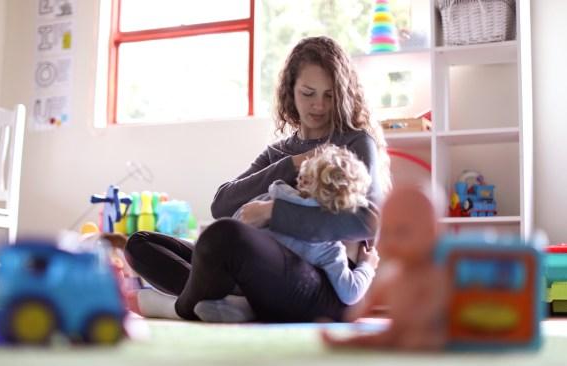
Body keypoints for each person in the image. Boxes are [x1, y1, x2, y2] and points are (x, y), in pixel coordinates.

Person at [123, 35, 391, 322]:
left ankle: (180, 308)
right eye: (308, 93)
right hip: (264, 273)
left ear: (343, 95)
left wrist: (274, 212)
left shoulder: (355, 143)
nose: (319, 106)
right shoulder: (279, 153)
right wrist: (293, 163)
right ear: (291, 91)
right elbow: (222, 204)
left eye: (329, 95)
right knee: (140, 244)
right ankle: (236, 303)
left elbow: (368, 221)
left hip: (325, 284)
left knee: (224, 237)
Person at [233, 144, 379, 306]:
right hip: (283, 297)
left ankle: (233, 302)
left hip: (237, 275)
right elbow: (350, 293)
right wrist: (367, 266)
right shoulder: (327, 248)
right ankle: (243, 307)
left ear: (302, 179)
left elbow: (236, 226)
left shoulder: (266, 200)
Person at [321, 185, 448, 350]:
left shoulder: (433, 275)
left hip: (424, 330)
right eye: (386, 232)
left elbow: (435, 304)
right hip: (396, 330)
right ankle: (345, 342)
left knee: (421, 339)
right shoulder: (393, 276)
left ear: (432, 232)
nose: (391, 241)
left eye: (401, 232)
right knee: (375, 339)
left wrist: (419, 318)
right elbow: (376, 298)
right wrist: (357, 316)